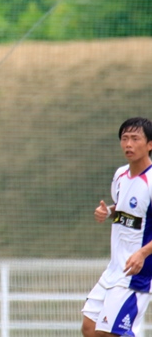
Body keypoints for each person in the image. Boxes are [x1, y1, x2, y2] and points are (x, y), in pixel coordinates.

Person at [81, 117, 152, 337]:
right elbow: (125, 207)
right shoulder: (120, 175)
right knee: (90, 328)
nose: (128, 144)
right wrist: (108, 211)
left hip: (136, 273)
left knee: (110, 333)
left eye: (135, 139)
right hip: (114, 269)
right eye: (124, 138)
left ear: (150, 144)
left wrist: (142, 253)